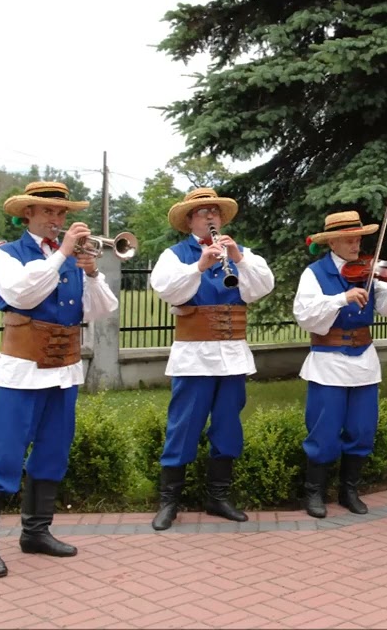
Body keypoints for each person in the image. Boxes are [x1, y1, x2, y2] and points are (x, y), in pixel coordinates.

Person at [0, 181, 120, 578]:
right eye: (48, 211)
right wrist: (64, 254)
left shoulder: (71, 259)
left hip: (63, 369)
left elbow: (101, 309)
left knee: (53, 450)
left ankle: (36, 532)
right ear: (28, 214)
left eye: (61, 212)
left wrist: (91, 274)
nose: (57, 218)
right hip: (21, 369)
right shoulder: (6, 254)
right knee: (2, 453)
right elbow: (22, 295)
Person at [148, 188, 276, 531]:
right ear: (190, 220)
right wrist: (199, 266)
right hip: (194, 356)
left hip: (232, 355)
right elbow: (167, 290)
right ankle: (169, 501)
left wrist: (239, 258)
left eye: (215, 212)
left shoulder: (241, 251)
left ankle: (218, 497)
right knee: (183, 425)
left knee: (228, 425)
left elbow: (262, 287)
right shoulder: (175, 255)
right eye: (202, 212)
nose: (210, 217)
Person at [292, 210, 387, 518]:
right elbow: (305, 315)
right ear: (333, 242)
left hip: (364, 360)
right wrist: (342, 298)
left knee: (362, 429)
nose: (357, 244)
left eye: (359, 238)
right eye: (350, 239)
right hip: (328, 362)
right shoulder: (314, 273)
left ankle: (349, 490)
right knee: (324, 430)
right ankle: (314, 492)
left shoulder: (370, 270)